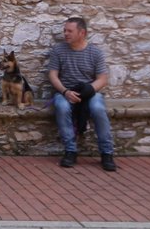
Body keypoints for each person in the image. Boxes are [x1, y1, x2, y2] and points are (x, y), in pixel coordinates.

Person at [48, 16, 116, 171]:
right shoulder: (58, 50)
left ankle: (107, 153)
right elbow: (53, 75)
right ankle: (70, 150)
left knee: (98, 109)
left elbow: (102, 78)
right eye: (65, 30)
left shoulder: (95, 52)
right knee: (62, 107)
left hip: (89, 91)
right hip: (65, 91)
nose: (65, 34)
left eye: (70, 31)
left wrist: (90, 90)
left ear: (82, 33)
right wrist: (65, 92)